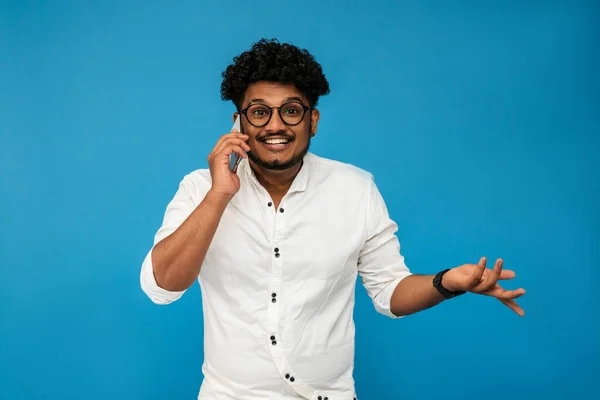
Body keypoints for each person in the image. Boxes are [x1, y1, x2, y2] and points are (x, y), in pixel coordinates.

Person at [140, 38, 526, 400]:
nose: (275, 125)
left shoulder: (355, 188)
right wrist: (219, 194)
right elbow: (162, 287)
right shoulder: (199, 189)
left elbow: (390, 292)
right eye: (259, 112)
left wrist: (447, 282)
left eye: (291, 111)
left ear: (313, 120)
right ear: (238, 122)